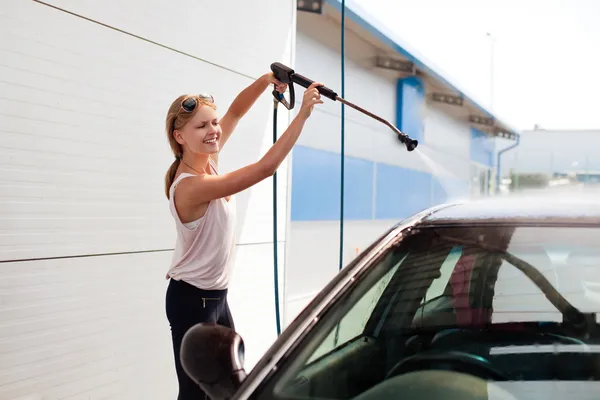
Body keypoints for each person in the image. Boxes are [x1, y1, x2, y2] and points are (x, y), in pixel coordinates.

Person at [163, 71, 324, 399]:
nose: (214, 130)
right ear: (180, 136)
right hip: (192, 301)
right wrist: (303, 113)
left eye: (213, 123)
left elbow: (235, 112)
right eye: (202, 126)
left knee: (230, 388)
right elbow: (266, 168)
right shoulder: (192, 186)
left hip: (215, 298)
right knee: (195, 395)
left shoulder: (208, 161)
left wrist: (267, 80)